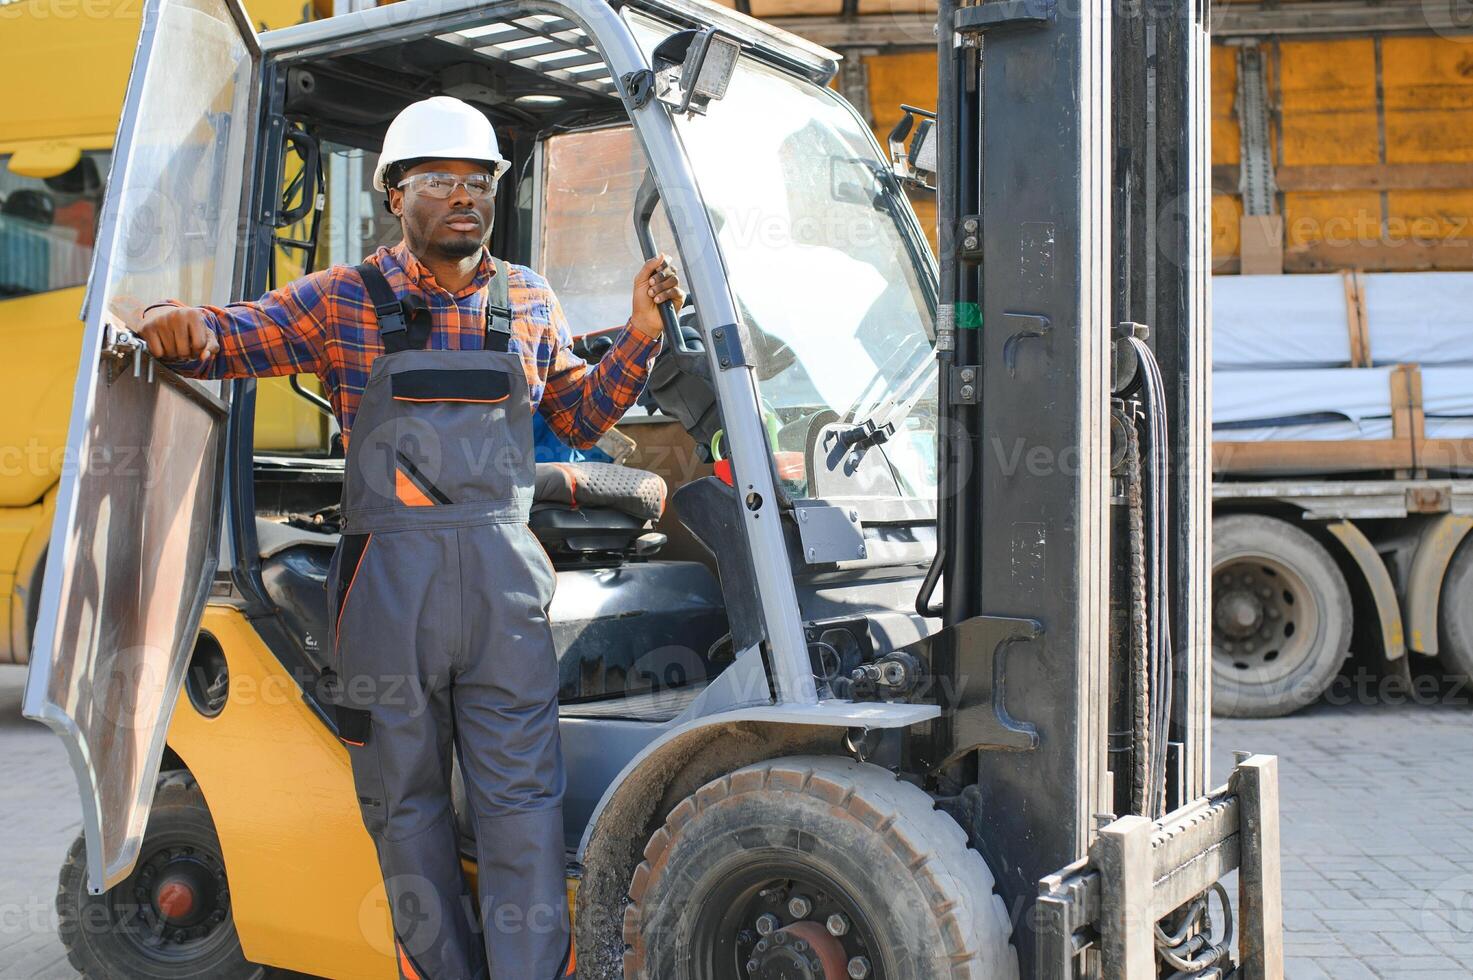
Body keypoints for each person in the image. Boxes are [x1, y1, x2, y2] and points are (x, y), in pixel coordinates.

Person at [135, 95, 683, 979]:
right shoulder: (344, 300)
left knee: (522, 806)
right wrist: (175, 322)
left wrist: (640, 341)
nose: (463, 196)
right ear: (395, 193)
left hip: (505, 595)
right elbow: (229, 340)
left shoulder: (529, 299)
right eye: (439, 180)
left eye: (479, 182)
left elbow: (578, 415)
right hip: (390, 597)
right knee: (406, 809)